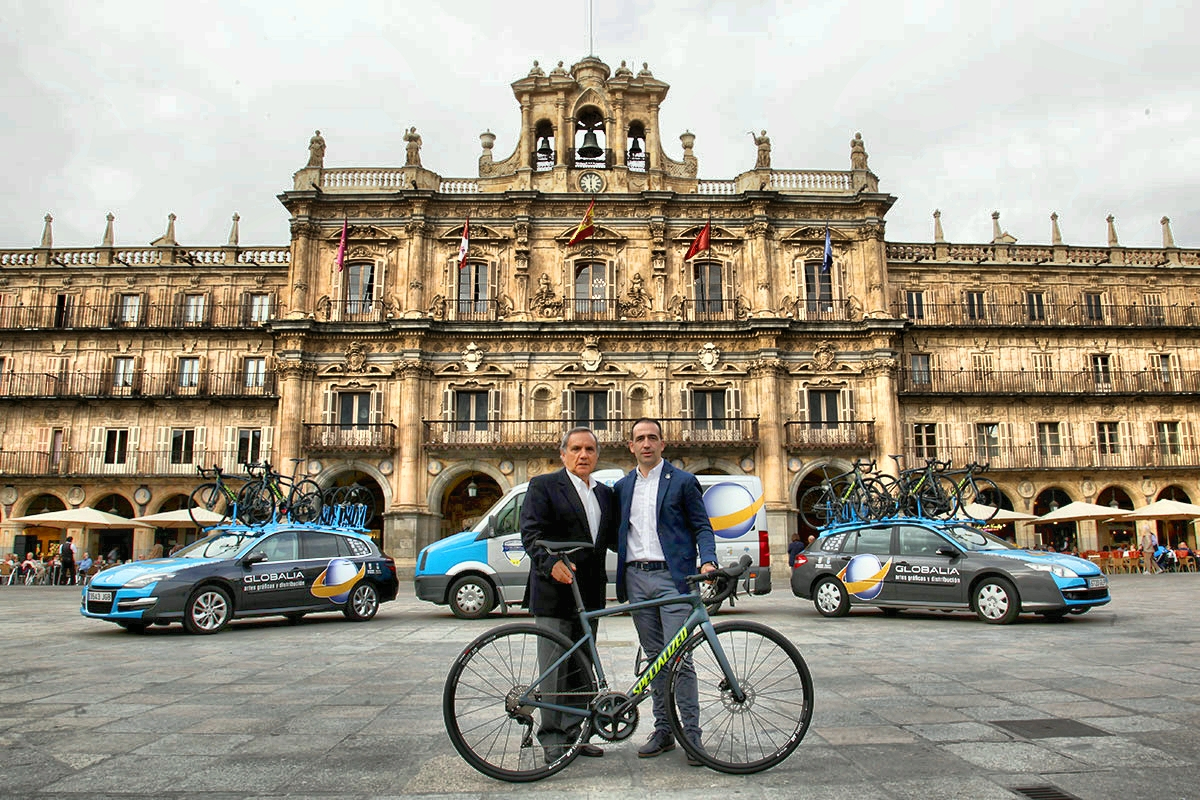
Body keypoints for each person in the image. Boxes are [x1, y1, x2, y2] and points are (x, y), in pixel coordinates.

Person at [609, 417, 717, 766]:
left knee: (680, 659)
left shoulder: (683, 482)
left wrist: (708, 562)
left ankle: (692, 735)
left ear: (662, 443)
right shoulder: (623, 487)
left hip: (673, 579)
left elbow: (702, 526)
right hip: (637, 579)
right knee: (655, 660)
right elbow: (614, 533)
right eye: (639, 439)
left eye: (652, 438)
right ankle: (663, 731)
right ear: (631, 445)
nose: (646, 444)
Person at [519, 426, 615, 761]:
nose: (583, 455)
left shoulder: (605, 494)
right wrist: (550, 565)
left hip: (589, 594)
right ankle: (552, 738)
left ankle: (577, 734)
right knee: (554, 669)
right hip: (554, 592)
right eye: (575, 449)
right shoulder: (544, 486)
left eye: (589, 449)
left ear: (597, 455)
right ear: (563, 454)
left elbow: (613, 539)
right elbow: (531, 534)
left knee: (582, 669)